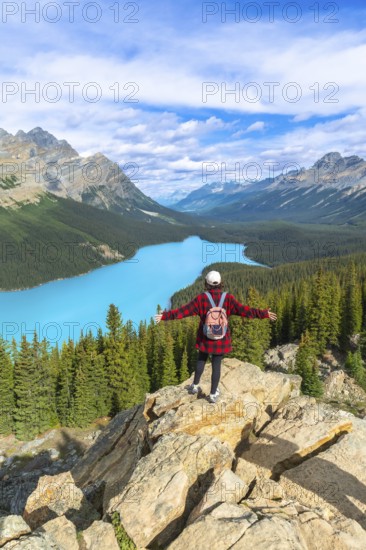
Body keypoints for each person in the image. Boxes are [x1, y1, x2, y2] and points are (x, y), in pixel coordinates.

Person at [154, 270, 277, 403]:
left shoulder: (201, 298)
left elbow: (183, 311)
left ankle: (194, 386)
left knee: (201, 360)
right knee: (216, 366)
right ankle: (213, 394)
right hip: (221, 340)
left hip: (205, 338)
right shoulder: (228, 298)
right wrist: (263, 313)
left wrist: (165, 316)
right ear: (220, 283)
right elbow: (245, 310)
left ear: (206, 283)